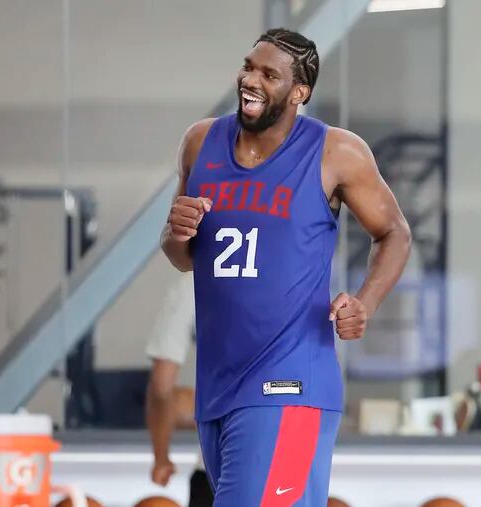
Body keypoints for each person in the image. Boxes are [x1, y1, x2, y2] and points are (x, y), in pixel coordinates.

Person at [160, 29, 411, 506]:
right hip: (219, 387)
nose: (250, 80)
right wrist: (176, 233)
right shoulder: (199, 143)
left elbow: (394, 232)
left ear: (300, 93)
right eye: (248, 66)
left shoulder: (335, 152)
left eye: (269, 74)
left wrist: (366, 302)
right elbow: (182, 257)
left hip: (290, 383)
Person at [145, 271, 213, 507]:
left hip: (216, 470)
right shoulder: (290, 275)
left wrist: (161, 457)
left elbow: (161, 387)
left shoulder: (195, 281)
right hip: (287, 464)